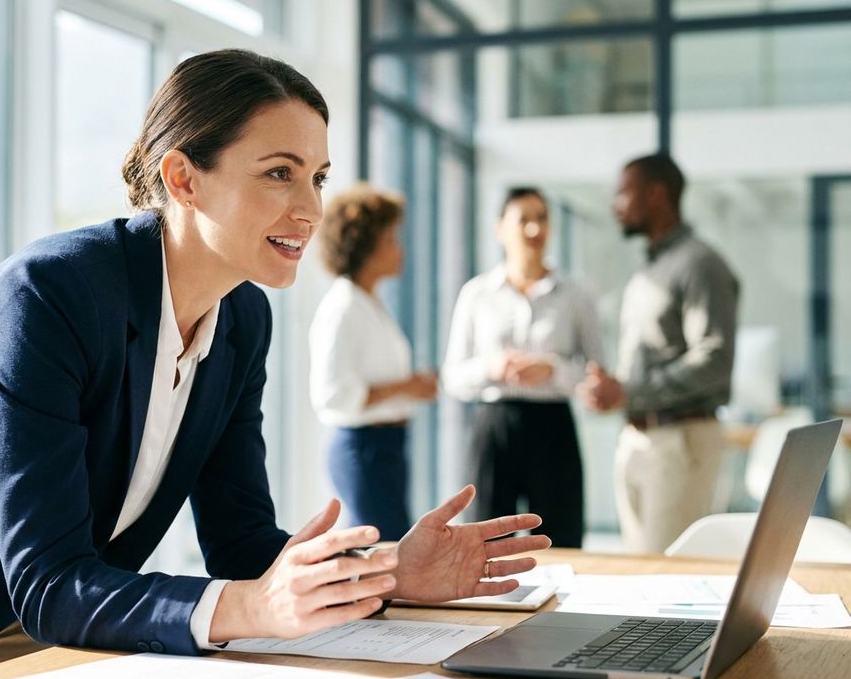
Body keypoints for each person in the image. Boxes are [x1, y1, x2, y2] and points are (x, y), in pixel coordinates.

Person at [0, 49, 551, 679]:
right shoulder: (48, 294)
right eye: (279, 172)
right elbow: (50, 578)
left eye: (318, 176)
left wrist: (390, 571)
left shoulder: (243, 322)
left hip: (26, 630)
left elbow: (239, 543)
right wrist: (254, 606)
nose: (311, 208)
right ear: (183, 178)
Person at [578, 153, 739, 554]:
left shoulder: (700, 264)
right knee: (640, 571)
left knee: (668, 574)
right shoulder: (648, 270)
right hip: (638, 439)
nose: (616, 206)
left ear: (656, 194)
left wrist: (631, 392)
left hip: (679, 440)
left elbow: (715, 360)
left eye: (623, 194)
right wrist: (614, 388)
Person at [442, 187, 603, 548]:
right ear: (500, 229)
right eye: (524, 219)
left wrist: (554, 370)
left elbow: (597, 374)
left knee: (561, 540)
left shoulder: (576, 294)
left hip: (554, 428)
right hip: (495, 426)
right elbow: (452, 377)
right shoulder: (477, 293)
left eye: (542, 218)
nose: (535, 229)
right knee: (485, 541)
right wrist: (492, 368)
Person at [308, 185, 438, 540]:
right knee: (381, 549)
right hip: (364, 448)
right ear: (366, 245)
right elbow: (332, 396)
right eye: (391, 240)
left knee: (388, 547)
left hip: (386, 447)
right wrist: (407, 387)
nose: (400, 250)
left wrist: (409, 387)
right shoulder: (343, 308)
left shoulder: (369, 302)